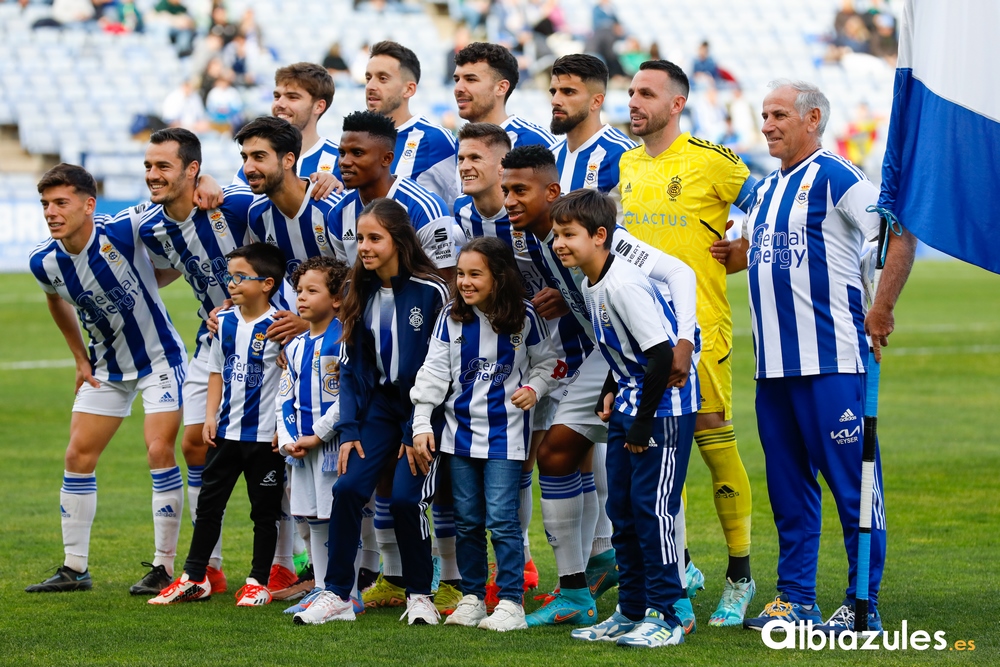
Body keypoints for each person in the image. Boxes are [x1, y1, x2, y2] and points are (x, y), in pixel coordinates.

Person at [718, 79, 903, 634]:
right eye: (764, 115)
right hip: (773, 366)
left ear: (812, 118)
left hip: (833, 360)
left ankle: (862, 602)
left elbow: (897, 234)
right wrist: (736, 255)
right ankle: (795, 599)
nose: (767, 125)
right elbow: (766, 252)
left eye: (778, 115)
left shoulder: (836, 175)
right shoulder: (767, 188)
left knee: (853, 484)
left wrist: (883, 307)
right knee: (789, 489)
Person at [497, 146, 697, 628]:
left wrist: (685, 341)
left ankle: (675, 585)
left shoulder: (609, 246)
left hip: (652, 359)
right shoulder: (540, 240)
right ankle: (592, 594)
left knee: (647, 487)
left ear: (552, 192)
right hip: (611, 362)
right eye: (505, 190)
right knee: (584, 468)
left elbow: (679, 272)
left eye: (519, 190)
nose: (509, 200)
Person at [615, 59, 758, 629]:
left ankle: (740, 578)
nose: (634, 101)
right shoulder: (627, 163)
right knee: (651, 447)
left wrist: (749, 246)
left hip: (699, 329)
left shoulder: (712, 160)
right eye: (630, 92)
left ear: (677, 104)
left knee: (708, 436)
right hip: (640, 334)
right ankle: (681, 566)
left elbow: (771, 204)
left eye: (646, 93)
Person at [26, 164, 188, 595]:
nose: (52, 212)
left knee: (158, 450)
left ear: (88, 205)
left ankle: (163, 567)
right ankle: (75, 568)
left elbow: (169, 201)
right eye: (46, 204)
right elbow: (55, 302)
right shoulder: (44, 261)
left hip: (159, 361)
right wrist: (79, 358)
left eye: (61, 203)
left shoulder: (121, 228)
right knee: (77, 456)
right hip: (105, 371)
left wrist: (204, 183)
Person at [551, 188, 699, 648]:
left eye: (569, 235)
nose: (559, 244)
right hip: (633, 403)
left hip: (661, 411)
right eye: (556, 234)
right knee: (623, 513)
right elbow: (623, 350)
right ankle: (632, 609)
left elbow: (660, 357)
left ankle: (669, 613)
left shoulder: (624, 283)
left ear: (600, 236)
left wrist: (640, 423)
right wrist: (612, 391)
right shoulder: (590, 280)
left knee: (653, 512)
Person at [293, 198, 450, 627]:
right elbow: (350, 369)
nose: (364, 246)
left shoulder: (431, 291)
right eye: (360, 238)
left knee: (404, 499)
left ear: (398, 241)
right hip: (378, 408)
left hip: (423, 411)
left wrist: (414, 428)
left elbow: (442, 367)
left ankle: (420, 595)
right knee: (347, 489)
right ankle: (338, 595)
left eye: (374, 238)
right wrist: (349, 430)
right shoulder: (355, 291)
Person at [412, 236, 560, 632]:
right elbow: (433, 372)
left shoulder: (526, 318)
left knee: (501, 520)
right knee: (467, 520)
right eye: (460, 274)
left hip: (506, 437)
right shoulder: (451, 317)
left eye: (475, 274)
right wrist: (422, 422)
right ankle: (474, 597)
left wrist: (535, 389)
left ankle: (511, 602)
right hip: (458, 436)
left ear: (499, 277)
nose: (464, 282)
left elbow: (548, 363)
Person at [136, 127, 260, 596]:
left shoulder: (235, 205)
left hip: (266, 338)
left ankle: (289, 563)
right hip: (211, 340)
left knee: (272, 450)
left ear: (192, 170)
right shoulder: (152, 226)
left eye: (163, 166)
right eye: (148, 166)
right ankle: (209, 564)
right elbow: (172, 265)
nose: (153, 175)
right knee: (194, 442)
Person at [148, 243, 287, 606]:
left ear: (267, 283)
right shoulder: (221, 321)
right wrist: (209, 417)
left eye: (241, 277)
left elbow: (290, 380)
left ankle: (258, 581)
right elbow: (215, 372)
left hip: (263, 439)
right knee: (209, 506)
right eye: (230, 277)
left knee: (264, 512)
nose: (232, 283)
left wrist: (281, 427)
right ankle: (194, 576)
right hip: (225, 433)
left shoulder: (281, 327)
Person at [238, 114, 338, 594]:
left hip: (343, 346)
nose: (249, 167)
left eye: (259, 157)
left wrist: (316, 325)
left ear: (290, 160)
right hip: (295, 351)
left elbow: (360, 277)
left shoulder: (330, 206)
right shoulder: (258, 215)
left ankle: (367, 574)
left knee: (343, 461)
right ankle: (313, 572)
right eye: (244, 158)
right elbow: (272, 282)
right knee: (293, 455)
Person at [275, 256, 355, 616]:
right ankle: (323, 589)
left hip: (334, 446)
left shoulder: (346, 340)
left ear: (337, 298)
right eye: (298, 291)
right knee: (313, 518)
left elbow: (350, 398)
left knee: (340, 515)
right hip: (302, 449)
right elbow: (284, 396)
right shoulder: (294, 347)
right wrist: (289, 436)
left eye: (312, 291)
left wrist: (319, 434)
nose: (301, 298)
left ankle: (347, 592)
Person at [328, 111, 455, 273]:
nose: (344, 162)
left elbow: (445, 283)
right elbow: (348, 282)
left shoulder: (425, 208)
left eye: (357, 153)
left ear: (387, 159)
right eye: (342, 153)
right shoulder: (338, 214)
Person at [365, 41, 460, 207]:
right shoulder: (357, 140)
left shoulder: (434, 139)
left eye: (383, 78)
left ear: (409, 90)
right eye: (368, 78)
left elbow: (464, 203)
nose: (371, 86)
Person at [233, 63, 343, 200]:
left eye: (292, 97)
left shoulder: (342, 163)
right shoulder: (255, 164)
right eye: (277, 96)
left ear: (318, 106)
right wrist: (205, 183)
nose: (279, 104)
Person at [549, 54, 636, 194]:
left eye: (568, 92)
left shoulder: (625, 156)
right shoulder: (551, 156)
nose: (555, 100)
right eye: (554, 92)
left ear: (596, 101)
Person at [453, 42, 555, 149]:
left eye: (471, 79)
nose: (458, 89)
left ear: (501, 88)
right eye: (457, 80)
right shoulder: (460, 144)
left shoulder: (534, 142)